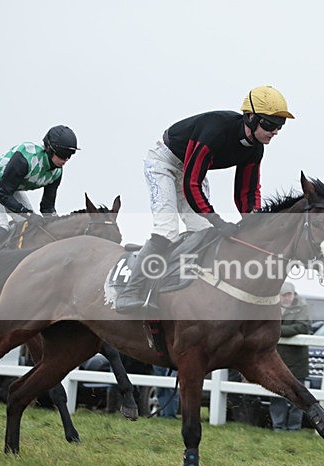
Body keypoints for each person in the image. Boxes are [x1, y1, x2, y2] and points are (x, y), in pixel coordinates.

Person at [114, 85, 294, 313]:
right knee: (166, 231)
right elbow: (191, 184)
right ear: (250, 118)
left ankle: (180, 290)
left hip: (191, 170)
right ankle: (132, 290)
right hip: (164, 163)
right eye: (269, 124)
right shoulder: (216, 130)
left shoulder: (255, 149)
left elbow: (246, 192)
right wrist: (219, 221)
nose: (274, 131)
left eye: (280, 126)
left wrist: (254, 223)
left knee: (203, 232)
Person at [0, 125, 79, 279]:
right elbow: (2, 193)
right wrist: (27, 213)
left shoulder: (57, 172)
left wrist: (57, 225)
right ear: (48, 148)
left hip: (10, 187)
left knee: (31, 226)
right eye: (62, 154)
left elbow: (47, 208)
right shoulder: (26, 157)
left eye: (69, 155)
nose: (65, 160)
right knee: (0, 227)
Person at [269, 281, 311, 431]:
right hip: (276, 357)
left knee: (297, 394)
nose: (287, 298)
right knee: (277, 393)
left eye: (289, 294)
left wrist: (277, 329)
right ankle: (278, 426)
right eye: (283, 295)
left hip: (296, 358)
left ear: (294, 294)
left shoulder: (302, 306)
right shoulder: (271, 305)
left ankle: (294, 427)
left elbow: (302, 326)